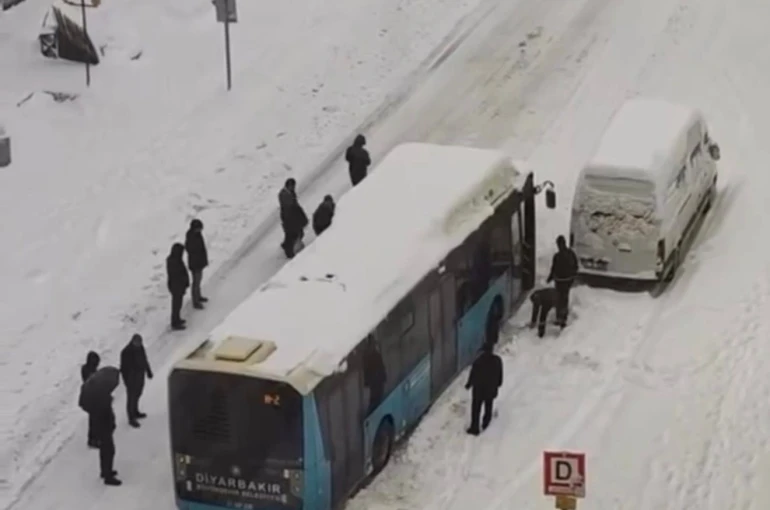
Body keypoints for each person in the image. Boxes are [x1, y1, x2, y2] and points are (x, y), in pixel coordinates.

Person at [464, 342, 503, 435]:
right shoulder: (497, 360)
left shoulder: (478, 361)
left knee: (476, 409)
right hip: (490, 390)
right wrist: (497, 385)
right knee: (488, 406)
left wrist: (468, 384)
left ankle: (475, 428)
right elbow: (500, 375)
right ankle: (486, 423)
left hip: (478, 390)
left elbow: (473, 375)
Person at [120, 334, 153, 428]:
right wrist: (127, 381)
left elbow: (144, 359)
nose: (139, 344)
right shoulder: (126, 352)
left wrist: (148, 371)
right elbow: (123, 369)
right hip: (131, 378)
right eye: (137, 343)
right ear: (133, 341)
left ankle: (135, 411)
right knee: (131, 397)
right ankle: (131, 418)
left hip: (140, 375)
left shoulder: (141, 348)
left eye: (140, 343)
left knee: (138, 393)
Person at [546, 235, 578, 328]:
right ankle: (563, 318)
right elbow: (575, 266)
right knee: (564, 298)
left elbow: (553, 269)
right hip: (567, 281)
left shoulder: (557, 256)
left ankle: (559, 317)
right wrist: (573, 276)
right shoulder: (571, 253)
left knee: (559, 298)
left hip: (559, 281)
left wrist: (550, 278)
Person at [278, 178, 308, 258]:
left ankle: (286, 245)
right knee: (292, 234)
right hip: (289, 218)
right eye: (293, 186)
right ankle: (289, 252)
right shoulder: (284, 195)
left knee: (292, 234)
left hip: (291, 217)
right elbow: (290, 207)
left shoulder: (289, 193)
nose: (294, 188)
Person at [185, 218, 209, 310]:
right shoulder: (192, 238)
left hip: (199, 263)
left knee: (198, 281)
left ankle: (198, 297)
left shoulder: (196, 235)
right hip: (196, 264)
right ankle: (195, 301)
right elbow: (193, 251)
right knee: (196, 282)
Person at [166, 242, 190, 330]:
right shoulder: (174, 261)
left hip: (177, 285)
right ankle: (175, 322)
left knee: (178, 304)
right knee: (176, 305)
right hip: (177, 286)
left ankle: (177, 319)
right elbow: (178, 274)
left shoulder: (174, 259)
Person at [81, 351, 101, 448]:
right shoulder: (88, 371)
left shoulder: (89, 369)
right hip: (91, 398)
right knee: (93, 419)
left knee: (95, 419)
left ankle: (95, 437)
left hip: (94, 397)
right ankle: (92, 439)